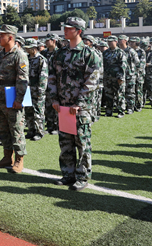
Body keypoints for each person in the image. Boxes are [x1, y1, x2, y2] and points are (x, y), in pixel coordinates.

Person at [48, 17, 101, 192]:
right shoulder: (59, 54)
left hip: (80, 108)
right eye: (65, 27)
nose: (65, 30)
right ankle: (68, 173)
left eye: (69, 28)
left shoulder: (89, 54)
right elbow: (52, 77)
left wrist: (80, 102)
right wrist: (54, 99)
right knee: (66, 142)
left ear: (78, 31)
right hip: (63, 106)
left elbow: (92, 81)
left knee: (82, 142)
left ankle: (82, 176)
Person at [0, 25, 29, 173]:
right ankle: (7, 156)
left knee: (16, 128)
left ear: (10, 37)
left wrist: (19, 99)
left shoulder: (20, 55)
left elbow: (23, 79)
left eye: (2, 36)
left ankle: (19, 159)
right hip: (0, 96)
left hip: (13, 95)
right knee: (2, 128)